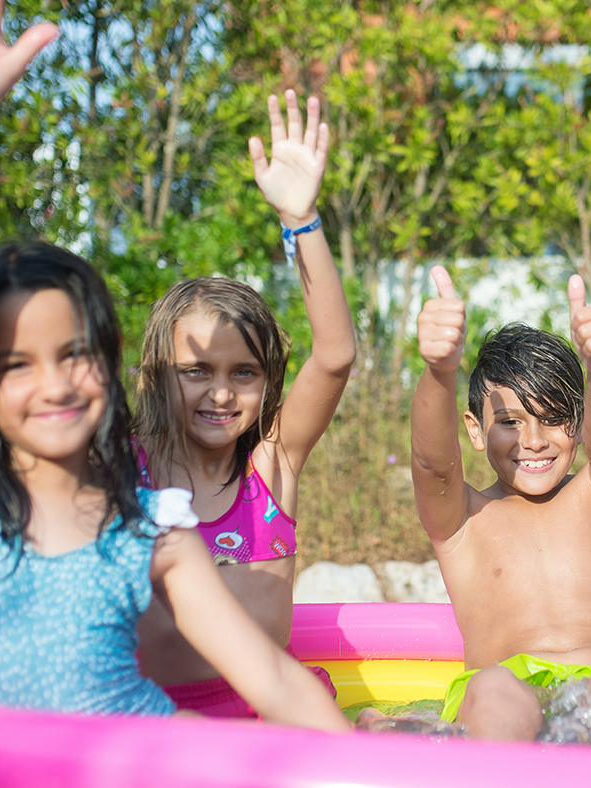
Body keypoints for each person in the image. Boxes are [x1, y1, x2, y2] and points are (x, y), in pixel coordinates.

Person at [0, 0, 348, 731]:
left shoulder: (152, 534)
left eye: (77, 355)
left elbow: (275, 683)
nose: (57, 382)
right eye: (14, 364)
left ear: (107, 360)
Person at [130, 90, 356, 718]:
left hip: (268, 716)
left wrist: (302, 220)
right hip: (160, 720)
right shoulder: (126, 469)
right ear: (156, 372)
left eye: (244, 373)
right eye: (196, 370)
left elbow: (335, 354)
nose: (222, 392)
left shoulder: (271, 467)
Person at [409, 266, 591, 748]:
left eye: (553, 419)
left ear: (580, 422)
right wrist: (438, 370)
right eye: (510, 422)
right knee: (491, 688)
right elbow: (432, 465)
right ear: (474, 429)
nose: (532, 441)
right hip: (505, 697)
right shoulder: (463, 521)